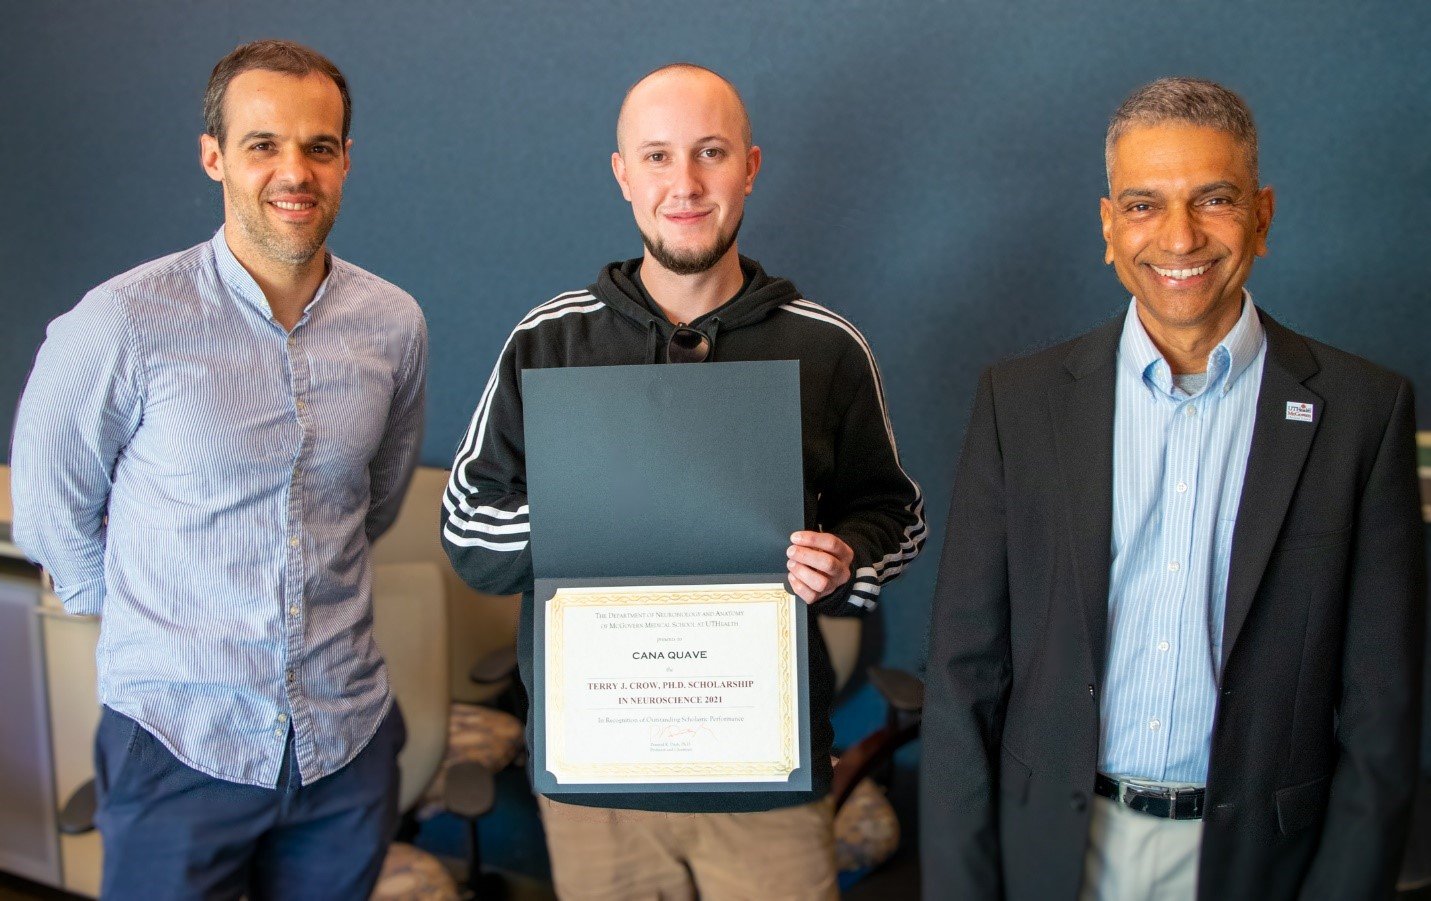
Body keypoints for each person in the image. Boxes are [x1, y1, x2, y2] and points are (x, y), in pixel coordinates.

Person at [921, 76, 1425, 900]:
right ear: (1109, 226)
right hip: (1053, 849)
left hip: (1259, 862)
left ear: (1261, 216)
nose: (1179, 237)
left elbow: (1382, 716)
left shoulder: (1362, 412)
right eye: (1144, 204)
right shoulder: (1020, 401)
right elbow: (960, 676)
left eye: (1213, 199)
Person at [443, 63, 925, 899]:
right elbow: (466, 525)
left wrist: (845, 558)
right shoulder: (546, 342)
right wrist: (603, 519)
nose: (686, 183)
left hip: (764, 765)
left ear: (750, 166)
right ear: (623, 174)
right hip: (595, 776)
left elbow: (897, 515)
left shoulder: (826, 348)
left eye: (710, 152)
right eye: (658, 157)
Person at [11, 39, 427, 900]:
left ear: (346, 160)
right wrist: (153, 639)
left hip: (342, 746)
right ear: (214, 157)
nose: (294, 171)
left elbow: (370, 501)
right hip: (175, 744)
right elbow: (52, 512)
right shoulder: (122, 320)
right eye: (262, 143)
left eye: (319, 146)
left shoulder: (393, 323)